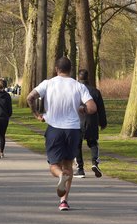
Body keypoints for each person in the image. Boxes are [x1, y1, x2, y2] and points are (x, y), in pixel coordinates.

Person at [26, 57, 97, 211]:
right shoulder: (78, 86)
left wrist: (36, 114)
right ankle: (63, 201)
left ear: (57, 69)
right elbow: (92, 108)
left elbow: (30, 97)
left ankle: (59, 176)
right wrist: (82, 109)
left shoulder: (48, 83)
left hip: (54, 128)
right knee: (68, 165)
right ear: (71, 70)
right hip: (73, 130)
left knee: (54, 165)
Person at [74, 69, 107, 178]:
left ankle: (80, 169)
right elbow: (101, 109)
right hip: (92, 121)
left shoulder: (74, 91)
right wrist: (103, 123)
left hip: (77, 121)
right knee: (93, 143)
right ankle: (94, 163)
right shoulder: (95, 91)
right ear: (88, 77)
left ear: (78, 78)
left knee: (76, 145)